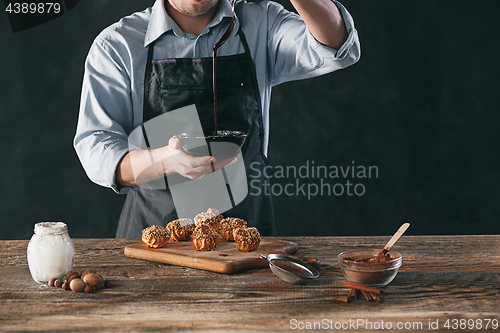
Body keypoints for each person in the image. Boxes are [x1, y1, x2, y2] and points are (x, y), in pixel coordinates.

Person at [74, 0, 360, 238]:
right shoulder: (118, 45)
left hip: (247, 235)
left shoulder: (262, 24)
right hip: (157, 236)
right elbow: (97, 150)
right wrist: (164, 161)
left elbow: (336, 46)